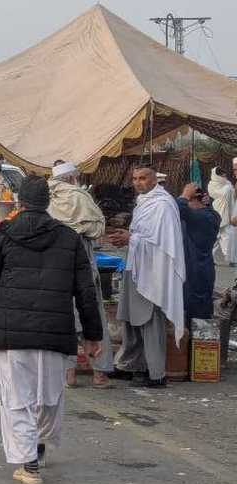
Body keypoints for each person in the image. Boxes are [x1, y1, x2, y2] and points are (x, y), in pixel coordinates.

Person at [0, 176, 103, 484]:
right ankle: (37, 445)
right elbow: (86, 292)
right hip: (54, 331)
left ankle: (28, 463)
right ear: (47, 203)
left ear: (19, 202)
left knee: (17, 398)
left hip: (11, 333)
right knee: (48, 396)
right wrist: (93, 335)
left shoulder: (2, 234)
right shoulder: (69, 239)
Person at [107, 166, 185, 388]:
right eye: (134, 179)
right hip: (136, 266)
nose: (138, 183)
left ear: (154, 180)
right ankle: (131, 366)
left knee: (149, 321)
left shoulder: (163, 205)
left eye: (143, 178)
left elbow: (163, 244)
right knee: (131, 318)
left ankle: (156, 372)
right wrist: (128, 239)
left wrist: (132, 238)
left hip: (153, 272)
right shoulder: (143, 202)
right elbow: (142, 236)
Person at [45, 161, 113, 388]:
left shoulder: (47, 199)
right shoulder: (81, 197)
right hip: (82, 263)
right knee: (93, 315)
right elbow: (97, 229)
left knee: (65, 319)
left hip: (57, 268)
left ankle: (69, 374)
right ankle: (99, 374)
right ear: (73, 177)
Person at [177, 182, 219, 324]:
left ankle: (195, 345)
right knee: (199, 312)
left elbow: (179, 209)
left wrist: (185, 195)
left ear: (193, 200)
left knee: (196, 316)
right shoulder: (211, 214)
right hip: (202, 270)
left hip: (195, 273)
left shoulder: (200, 217)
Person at [207, 164, 237, 266]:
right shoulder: (212, 184)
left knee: (226, 237)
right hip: (217, 211)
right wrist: (228, 188)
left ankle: (230, 259)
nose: (224, 177)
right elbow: (219, 194)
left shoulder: (227, 184)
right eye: (222, 175)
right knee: (215, 238)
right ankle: (210, 258)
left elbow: (232, 196)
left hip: (227, 212)